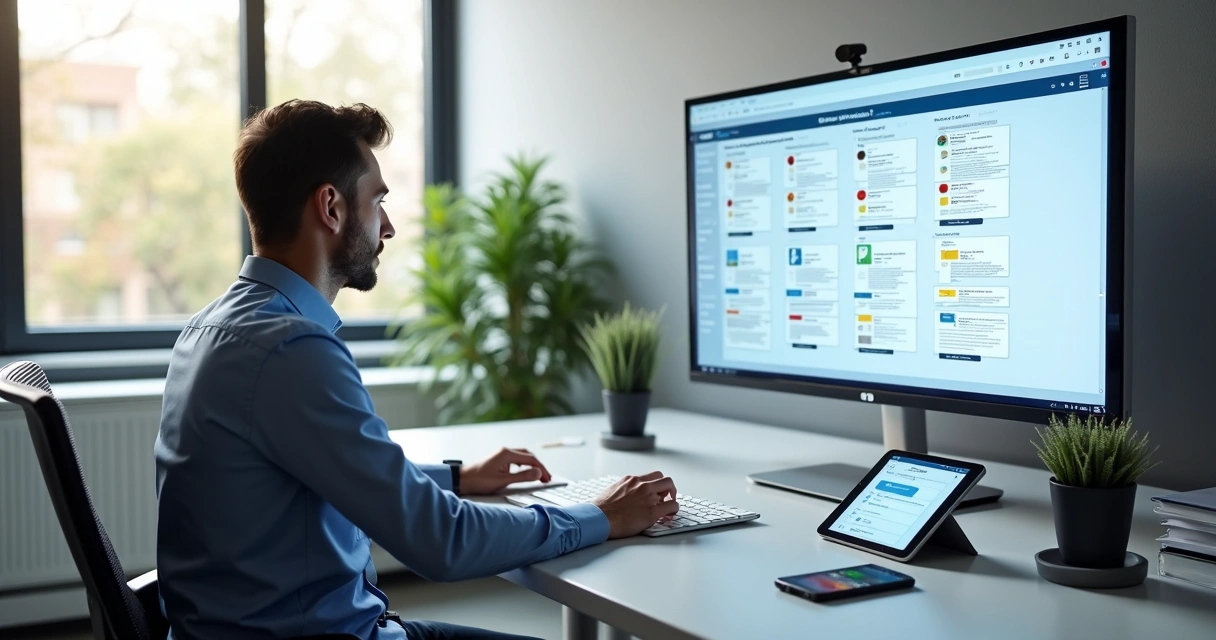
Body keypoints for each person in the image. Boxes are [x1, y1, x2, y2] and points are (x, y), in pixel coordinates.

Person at [154, 100, 679, 640]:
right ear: (331, 208)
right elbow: (439, 543)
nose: (388, 226)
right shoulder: (291, 348)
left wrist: (457, 478)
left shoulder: (212, 328)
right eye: (377, 201)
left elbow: (321, 476)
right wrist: (601, 516)